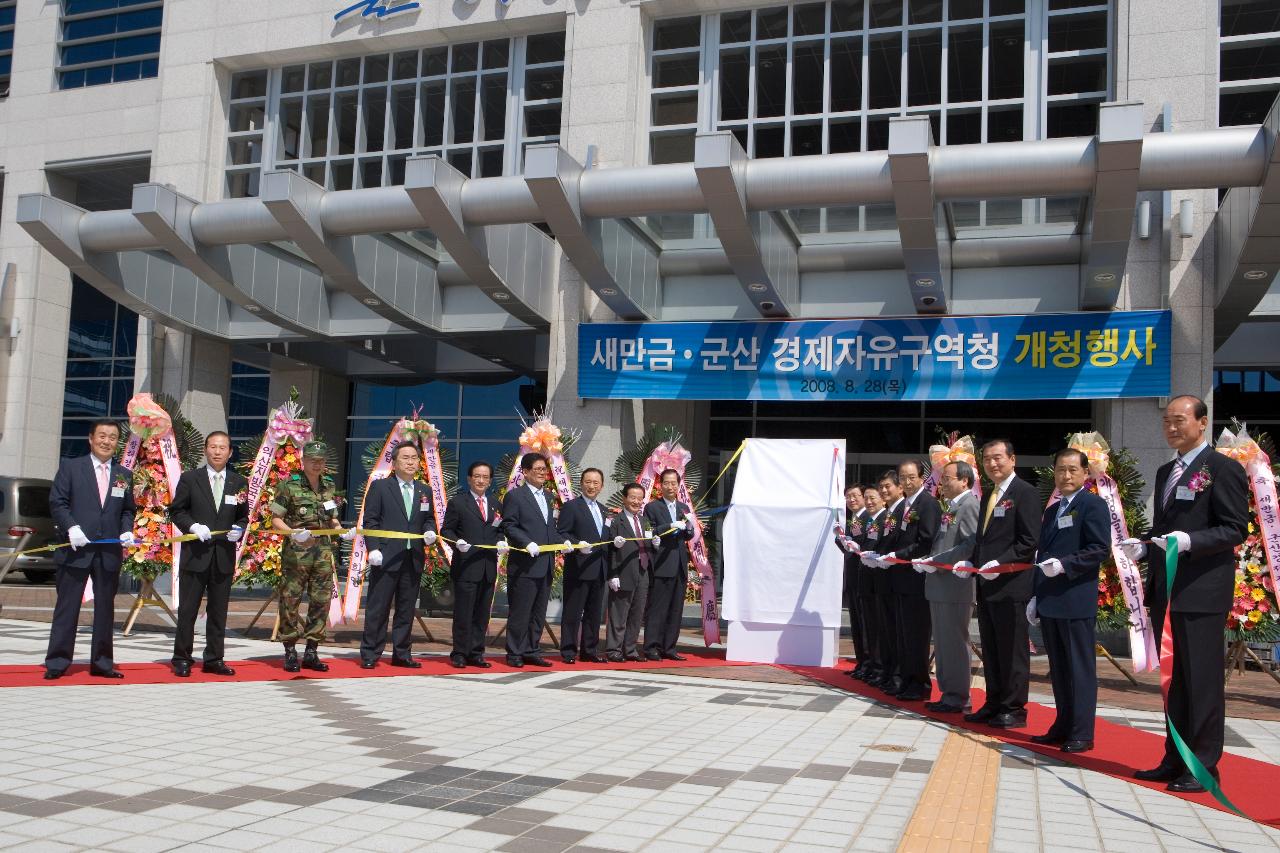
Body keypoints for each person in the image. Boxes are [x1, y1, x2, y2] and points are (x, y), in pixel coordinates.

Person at [1124, 395, 1248, 792]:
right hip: (1169, 590)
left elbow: (1234, 528)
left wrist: (1189, 541)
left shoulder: (1223, 468)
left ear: (1202, 422)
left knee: (1201, 681)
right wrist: (1145, 545)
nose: (1172, 427)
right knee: (1174, 681)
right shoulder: (1166, 472)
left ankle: (1203, 767)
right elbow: (1165, 525)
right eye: (1166, 421)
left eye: (1179, 420)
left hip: (1201, 593)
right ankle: (1174, 757)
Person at [1028, 448, 1111, 753]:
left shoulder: (1093, 505)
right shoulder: (1052, 510)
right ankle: (1062, 724)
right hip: (1051, 600)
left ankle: (1082, 732)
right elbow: (1042, 555)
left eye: (1073, 470)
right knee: (1059, 669)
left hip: (1075, 598)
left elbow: (1100, 548)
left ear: (1086, 473)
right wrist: (1035, 595)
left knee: (1079, 669)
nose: (1066, 476)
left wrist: (1066, 564)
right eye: (1061, 470)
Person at [44, 419, 137, 679]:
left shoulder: (123, 475)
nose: (107, 441)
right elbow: (58, 502)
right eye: (102, 436)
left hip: (108, 553)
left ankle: (103, 663)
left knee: (106, 610)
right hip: (76, 550)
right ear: (91, 438)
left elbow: (128, 509)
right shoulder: (71, 467)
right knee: (67, 607)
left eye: (113, 437)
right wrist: (71, 527)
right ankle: (57, 662)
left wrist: (126, 529)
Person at [964, 439, 1039, 729]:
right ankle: (994, 702)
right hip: (987, 586)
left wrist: (1001, 564)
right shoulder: (989, 495)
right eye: (987, 459)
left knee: (1013, 651)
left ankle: (1014, 708)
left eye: (998, 458)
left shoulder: (1026, 493)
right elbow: (983, 539)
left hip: (1012, 586)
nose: (992, 464)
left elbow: (1028, 542)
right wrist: (972, 562)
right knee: (992, 649)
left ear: (1012, 459)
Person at [169, 431, 248, 677]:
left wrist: (240, 530)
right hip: (196, 555)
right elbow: (177, 510)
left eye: (222, 447)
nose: (217, 451)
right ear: (206, 449)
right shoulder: (190, 479)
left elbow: (243, 516)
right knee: (188, 610)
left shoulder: (238, 482)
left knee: (218, 612)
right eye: (213, 447)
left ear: (230, 452)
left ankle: (214, 658)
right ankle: (182, 657)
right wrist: (193, 527)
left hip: (223, 556)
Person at [359, 441, 438, 669]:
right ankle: (370, 654)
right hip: (385, 556)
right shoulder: (381, 487)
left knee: (406, 609)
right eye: (406, 457)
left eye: (414, 458)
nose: (411, 462)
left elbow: (428, 517)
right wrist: (373, 548)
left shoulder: (425, 491)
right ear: (394, 462)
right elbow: (371, 520)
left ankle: (402, 654)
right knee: (379, 607)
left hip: (412, 557)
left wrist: (430, 530)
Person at [269, 441, 343, 673]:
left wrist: (340, 529)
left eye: (321, 460)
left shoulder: (329, 486)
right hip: (297, 554)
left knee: (321, 601)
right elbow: (275, 520)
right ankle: (290, 649)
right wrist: (293, 534)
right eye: (312, 459)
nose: (317, 463)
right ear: (304, 460)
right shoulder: (289, 485)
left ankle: (312, 650)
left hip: (322, 553)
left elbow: (332, 518)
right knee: (290, 600)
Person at [918, 461, 979, 713]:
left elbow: (970, 544)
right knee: (943, 643)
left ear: (965, 480)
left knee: (954, 641)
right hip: (940, 585)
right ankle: (948, 693)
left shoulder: (969, 505)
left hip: (954, 586)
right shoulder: (952, 506)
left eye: (947, 478)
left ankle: (958, 696)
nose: (942, 483)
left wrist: (936, 561)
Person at [885, 460, 941, 701]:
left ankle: (920, 683)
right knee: (903, 634)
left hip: (916, 579)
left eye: (911, 477)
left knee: (917, 634)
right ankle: (906, 679)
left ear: (921, 478)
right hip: (899, 578)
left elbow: (926, 541)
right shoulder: (902, 506)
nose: (906, 482)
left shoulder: (928, 503)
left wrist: (898, 556)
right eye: (902, 477)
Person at [500, 452, 563, 667]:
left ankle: (532, 650)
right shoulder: (515, 496)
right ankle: (515, 653)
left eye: (544, 469)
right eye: (537, 469)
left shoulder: (549, 496)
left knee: (538, 612)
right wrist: (526, 543)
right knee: (521, 611)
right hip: (524, 564)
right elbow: (509, 525)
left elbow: (550, 528)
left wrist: (563, 542)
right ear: (525, 472)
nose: (542, 473)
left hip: (546, 564)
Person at [441, 461, 500, 669]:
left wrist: (501, 541)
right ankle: (459, 653)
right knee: (464, 613)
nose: (481, 480)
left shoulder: (495, 504)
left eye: (485, 477)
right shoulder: (458, 502)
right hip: (466, 566)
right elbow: (446, 530)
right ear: (469, 479)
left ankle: (476, 652)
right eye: (477, 476)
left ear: (490, 481)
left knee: (482, 614)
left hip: (488, 567)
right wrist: (457, 542)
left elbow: (499, 530)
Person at [558, 468, 611, 663]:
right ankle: (569, 651)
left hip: (599, 569)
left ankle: (589, 650)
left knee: (593, 614)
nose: (592, 486)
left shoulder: (604, 510)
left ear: (601, 486)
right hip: (578, 568)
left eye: (596, 483)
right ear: (581, 483)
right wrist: (577, 544)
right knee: (573, 612)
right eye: (588, 482)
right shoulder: (571, 506)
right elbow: (562, 533)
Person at [643, 469, 697, 661]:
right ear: (660, 485)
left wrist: (689, 526)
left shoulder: (683, 507)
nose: (671, 486)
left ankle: (669, 647)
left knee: (675, 609)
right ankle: (651, 647)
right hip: (662, 563)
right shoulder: (652, 507)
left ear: (678, 485)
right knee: (658, 608)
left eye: (674, 483)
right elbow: (649, 531)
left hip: (680, 564)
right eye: (667, 483)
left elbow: (688, 536)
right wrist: (670, 526)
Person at [862, 470, 905, 693]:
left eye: (888, 486)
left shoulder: (902, 511)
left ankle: (895, 675)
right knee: (885, 630)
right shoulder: (889, 513)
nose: (884, 491)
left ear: (900, 488)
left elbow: (899, 543)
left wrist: (881, 556)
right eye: (882, 487)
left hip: (894, 578)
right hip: (880, 578)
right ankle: (887, 673)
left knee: (894, 631)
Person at [606, 483, 657, 662]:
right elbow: (610, 549)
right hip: (623, 570)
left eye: (639, 498)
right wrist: (612, 574)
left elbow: (647, 542)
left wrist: (654, 543)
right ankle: (614, 649)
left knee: (637, 613)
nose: (636, 501)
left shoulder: (644, 521)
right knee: (619, 613)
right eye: (632, 497)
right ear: (624, 498)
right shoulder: (615, 521)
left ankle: (630, 649)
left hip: (642, 571)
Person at [834, 485, 869, 675]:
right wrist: (841, 539)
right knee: (856, 621)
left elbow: (865, 546)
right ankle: (861, 662)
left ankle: (867, 662)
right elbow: (849, 550)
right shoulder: (853, 519)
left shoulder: (868, 518)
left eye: (855, 496)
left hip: (863, 576)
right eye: (848, 497)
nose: (852, 500)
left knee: (864, 623)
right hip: (852, 577)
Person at [853, 485, 886, 682]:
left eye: (872, 497)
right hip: (864, 578)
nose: (869, 502)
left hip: (878, 581)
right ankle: (870, 665)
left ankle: (878, 667)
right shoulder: (869, 520)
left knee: (877, 627)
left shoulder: (884, 519)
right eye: (867, 498)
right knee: (867, 626)